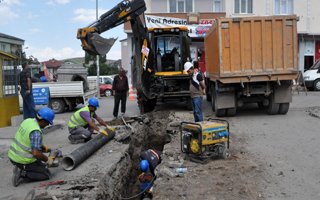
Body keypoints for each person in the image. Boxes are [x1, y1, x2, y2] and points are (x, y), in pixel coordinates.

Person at [7, 107, 56, 187]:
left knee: (41, 166)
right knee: (46, 174)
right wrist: (48, 160)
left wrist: (47, 149)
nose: (47, 125)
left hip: (13, 156)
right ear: (43, 121)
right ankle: (23, 173)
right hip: (22, 160)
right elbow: (36, 153)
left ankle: (21, 168)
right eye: (48, 123)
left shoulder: (28, 121)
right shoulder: (36, 132)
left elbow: (30, 142)